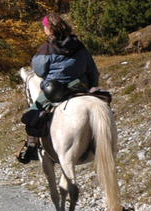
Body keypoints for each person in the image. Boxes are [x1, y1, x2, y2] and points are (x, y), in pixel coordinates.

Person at [16, 12, 101, 164]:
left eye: (44, 27)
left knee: (33, 113)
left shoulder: (47, 48)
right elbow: (92, 70)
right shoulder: (80, 45)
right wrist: (92, 86)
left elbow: (39, 71)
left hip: (55, 89)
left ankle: (31, 148)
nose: (44, 30)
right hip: (79, 87)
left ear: (49, 29)